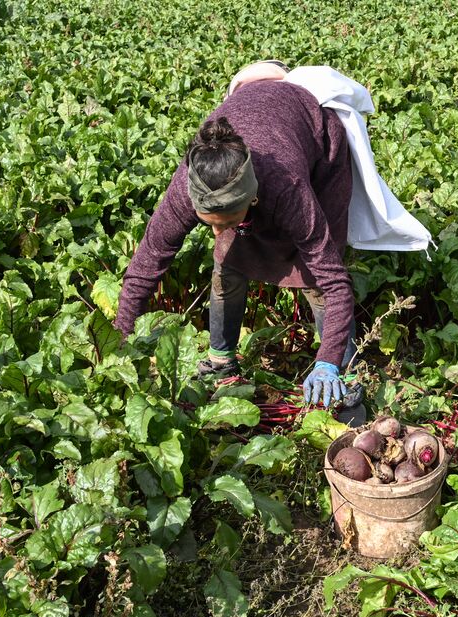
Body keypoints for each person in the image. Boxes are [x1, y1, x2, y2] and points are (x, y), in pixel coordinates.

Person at [112, 78, 360, 410]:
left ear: (253, 198)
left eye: (227, 222)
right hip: (257, 124)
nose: (217, 232)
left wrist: (328, 360)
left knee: (316, 281)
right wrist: (120, 344)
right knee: (226, 264)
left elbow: (335, 280)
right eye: (209, 223)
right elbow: (145, 267)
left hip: (316, 142)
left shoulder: (286, 188)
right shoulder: (191, 186)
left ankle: (344, 373)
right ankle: (221, 363)